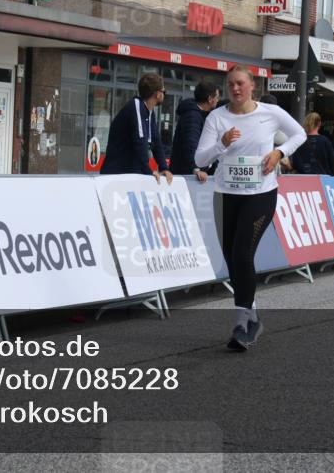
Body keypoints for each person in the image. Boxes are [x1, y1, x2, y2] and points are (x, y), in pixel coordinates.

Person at [195, 65, 307, 351]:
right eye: (231, 84)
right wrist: (220, 144)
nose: (235, 89)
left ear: (252, 85)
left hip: (260, 194)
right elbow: (200, 158)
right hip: (225, 194)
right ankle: (253, 317)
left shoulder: (269, 114)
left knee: (243, 253)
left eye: (241, 83)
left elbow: (299, 134)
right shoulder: (217, 118)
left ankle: (241, 323)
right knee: (232, 260)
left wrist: (279, 152)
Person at [100, 72, 173, 183]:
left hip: (130, 172)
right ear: (157, 94)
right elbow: (140, 141)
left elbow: (156, 141)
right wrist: (148, 171)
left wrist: (164, 168)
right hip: (116, 174)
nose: (164, 94)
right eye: (164, 91)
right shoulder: (136, 106)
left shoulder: (149, 112)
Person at [170, 81, 220, 182]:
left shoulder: (201, 115)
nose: (218, 100)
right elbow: (191, 144)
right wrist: (196, 169)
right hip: (187, 176)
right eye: (217, 97)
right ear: (210, 99)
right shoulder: (192, 116)